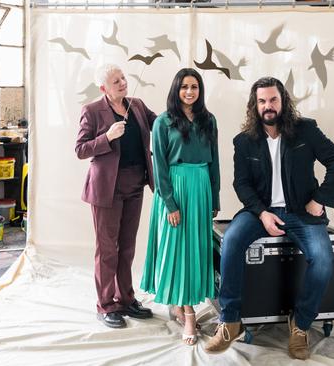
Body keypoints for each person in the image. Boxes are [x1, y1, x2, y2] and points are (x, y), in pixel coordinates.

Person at [205, 77, 334, 359]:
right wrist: (262, 213)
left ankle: (301, 323)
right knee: (231, 241)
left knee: (323, 258)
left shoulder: (306, 130)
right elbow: (242, 184)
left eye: (273, 100)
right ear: (254, 105)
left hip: (300, 213)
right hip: (260, 211)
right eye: (262, 101)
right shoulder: (244, 141)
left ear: (283, 101)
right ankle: (231, 319)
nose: (268, 106)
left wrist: (320, 200)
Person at [140, 68, 220, 346]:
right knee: (177, 250)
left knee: (194, 250)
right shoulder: (163, 122)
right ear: (176, 89)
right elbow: (158, 165)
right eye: (184, 86)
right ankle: (189, 315)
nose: (189, 91)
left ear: (200, 90)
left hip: (201, 188)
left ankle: (180, 304)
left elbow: (215, 162)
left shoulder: (209, 120)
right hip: (173, 188)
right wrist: (170, 203)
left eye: (194, 86)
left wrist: (215, 197)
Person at [75, 64, 157, 328]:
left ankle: (126, 298)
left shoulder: (138, 105)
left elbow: (163, 124)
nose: (123, 83)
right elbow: (80, 149)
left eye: (123, 78)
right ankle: (106, 304)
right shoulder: (91, 111)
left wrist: (185, 109)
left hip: (135, 185)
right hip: (106, 190)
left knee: (128, 246)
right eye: (115, 81)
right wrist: (107, 137)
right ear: (103, 89)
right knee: (107, 249)